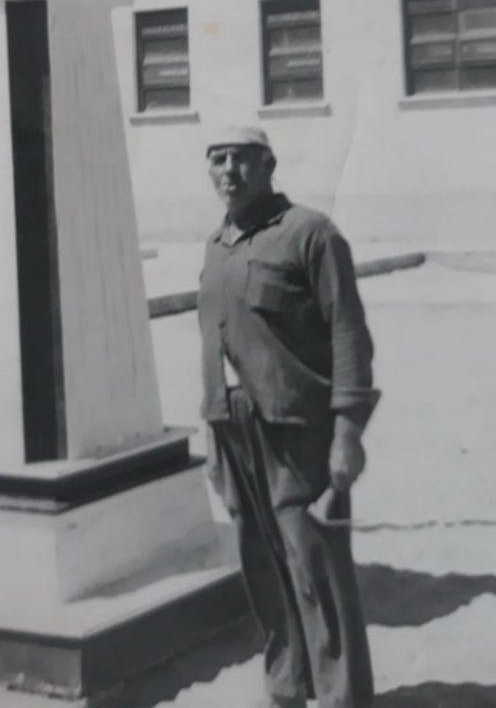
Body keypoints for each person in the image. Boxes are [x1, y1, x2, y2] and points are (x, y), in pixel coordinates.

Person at [198, 125, 379, 708]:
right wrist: (213, 431)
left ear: (269, 165)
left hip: (298, 431)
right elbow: (216, 340)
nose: (229, 170)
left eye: (242, 159)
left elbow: (349, 334)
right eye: (218, 159)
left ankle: (342, 697)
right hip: (235, 430)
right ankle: (288, 687)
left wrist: (347, 433)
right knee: (263, 566)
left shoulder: (310, 234)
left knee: (315, 569)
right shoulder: (217, 245)